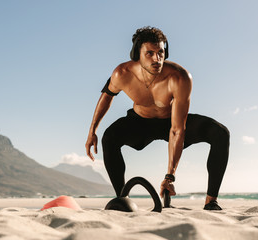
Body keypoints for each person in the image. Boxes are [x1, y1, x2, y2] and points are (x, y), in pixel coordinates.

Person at [85, 26, 229, 210]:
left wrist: (170, 177)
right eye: (150, 53)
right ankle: (123, 199)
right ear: (137, 54)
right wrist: (92, 131)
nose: (157, 59)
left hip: (170, 119)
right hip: (139, 122)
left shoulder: (179, 78)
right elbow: (107, 95)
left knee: (220, 133)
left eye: (160, 52)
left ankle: (211, 202)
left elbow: (177, 129)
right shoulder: (122, 74)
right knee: (109, 137)